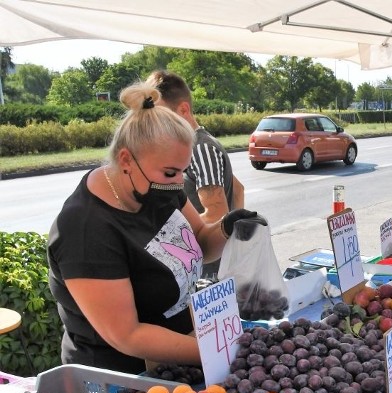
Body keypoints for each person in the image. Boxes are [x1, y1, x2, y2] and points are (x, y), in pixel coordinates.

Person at [47, 82, 262, 374]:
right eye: (170, 173)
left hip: (181, 356)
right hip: (124, 380)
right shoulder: (85, 230)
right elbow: (127, 335)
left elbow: (199, 241)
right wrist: (218, 349)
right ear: (126, 160)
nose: (178, 184)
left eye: (183, 172)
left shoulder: (155, 187)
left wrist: (227, 227)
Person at [146, 70, 245, 277]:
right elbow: (238, 191)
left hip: (207, 270)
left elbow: (216, 213)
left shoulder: (199, 149)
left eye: (162, 116)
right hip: (214, 262)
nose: (156, 124)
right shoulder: (201, 145)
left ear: (183, 110)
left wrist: (165, 237)